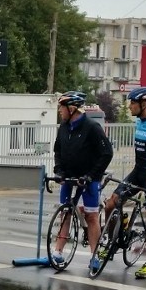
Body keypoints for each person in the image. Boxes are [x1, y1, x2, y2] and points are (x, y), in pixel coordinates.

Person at [103, 86, 146, 279]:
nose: (129, 106)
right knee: (110, 204)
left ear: (144, 104)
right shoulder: (139, 122)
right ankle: (117, 235)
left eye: (132, 103)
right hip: (138, 172)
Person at [50, 91, 114, 268]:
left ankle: (94, 256)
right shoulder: (63, 127)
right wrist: (59, 171)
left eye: (61, 108)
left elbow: (106, 153)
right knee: (66, 212)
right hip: (69, 177)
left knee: (91, 216)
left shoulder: (92, 127)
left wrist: (92, 175)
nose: (59, 111)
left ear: (71, 108)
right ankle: (58, 252)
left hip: (89, 178)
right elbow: (58, 151)